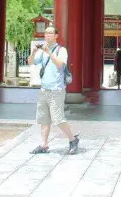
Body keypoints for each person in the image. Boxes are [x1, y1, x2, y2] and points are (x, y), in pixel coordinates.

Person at [27, 26, 80, 155]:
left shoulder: (61, 50)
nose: (47, 35)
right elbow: (30, 62)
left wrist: (49, 52)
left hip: (56, 90)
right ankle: (43, 144)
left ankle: (73, 140)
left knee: (58, 119)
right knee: (44, 119)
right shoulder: (42, 51)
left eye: (50, 33)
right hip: (44, 90)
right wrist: (33, 52)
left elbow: (60, 64)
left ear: (56, 36)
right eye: (46, 33)